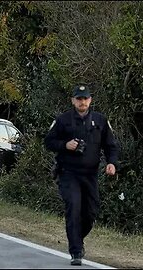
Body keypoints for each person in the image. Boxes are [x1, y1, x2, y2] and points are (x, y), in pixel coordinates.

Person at [44, 85, 119, 266]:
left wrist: (112, 163)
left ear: (90, 100)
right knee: (74, 207)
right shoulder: (63, 120)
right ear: (73, 100)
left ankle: (77, 237)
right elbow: (48, 141)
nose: (82, 102)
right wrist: (65, 145)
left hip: (90, 175)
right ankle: (76, 251)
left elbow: (111, 146)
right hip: (69, 173)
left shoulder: (100, 121)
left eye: (85, 98)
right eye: (79, 98)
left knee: (91, 212)